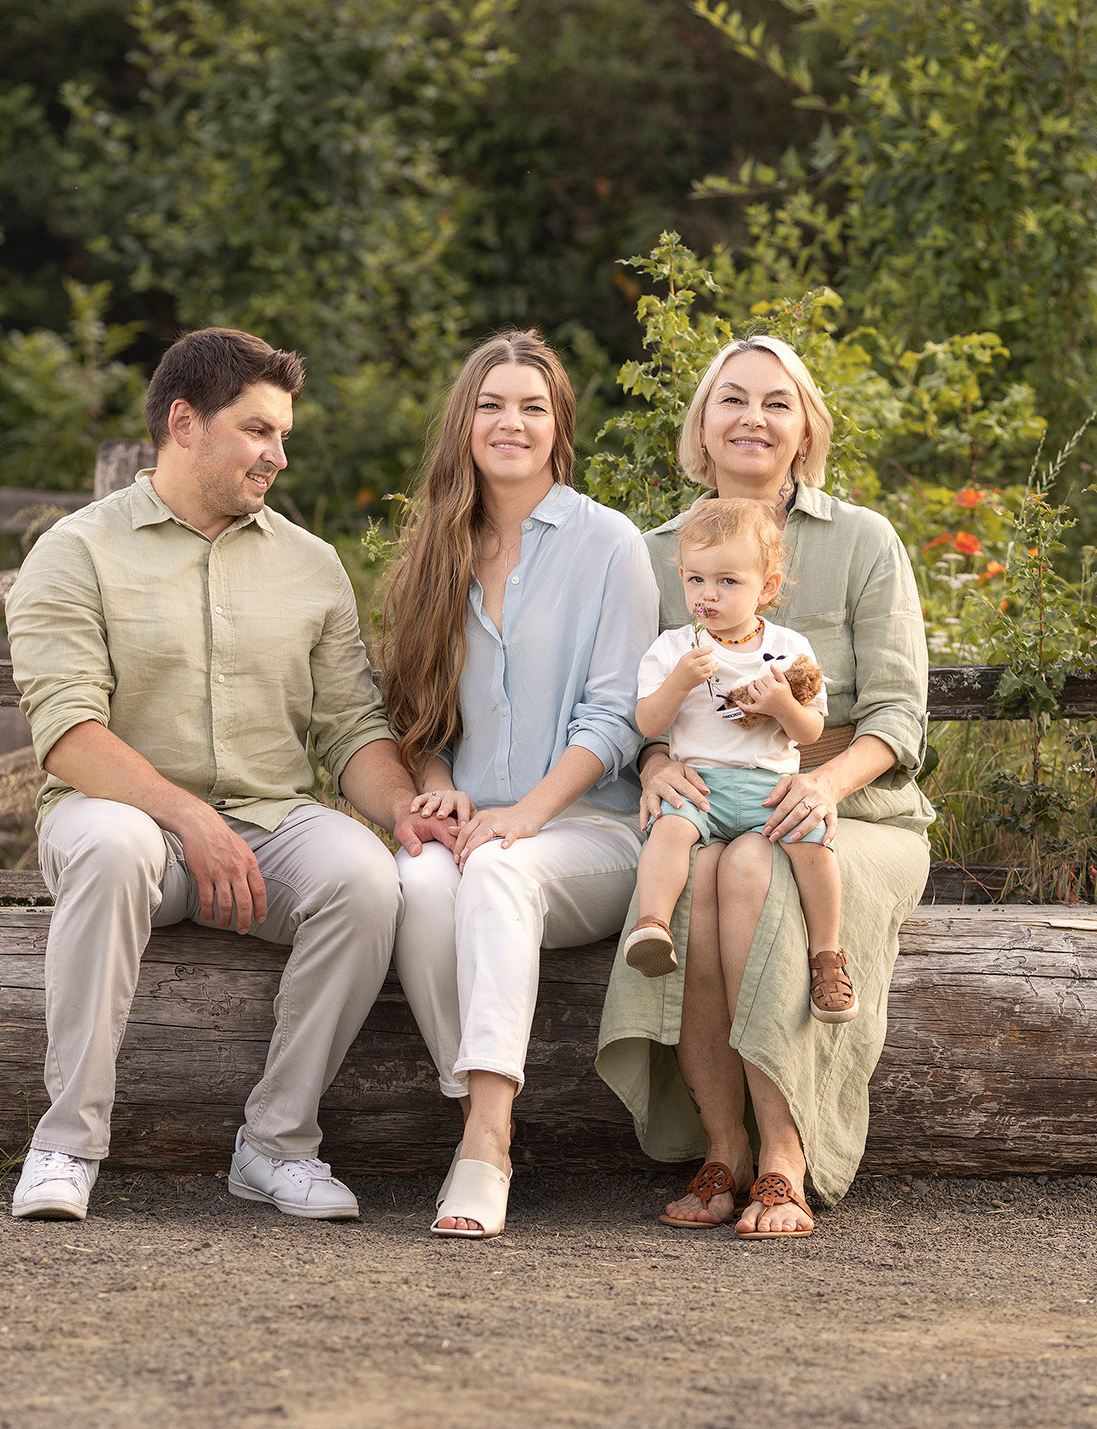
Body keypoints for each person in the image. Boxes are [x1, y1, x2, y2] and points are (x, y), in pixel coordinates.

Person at [4, 327, 450, 1223]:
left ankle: (276, 1144)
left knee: (367, 878)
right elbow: (68, 734)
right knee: (111, 846)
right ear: (184, 423)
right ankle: (66, 1143)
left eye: (282, 434)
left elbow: (352, 730)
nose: (277, 455)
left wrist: (406, 812)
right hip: (119, 815)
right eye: (256, 431)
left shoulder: (310, 564)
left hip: (272, 822)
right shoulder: (75, 551)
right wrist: (189, 819)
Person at [595, 334, 934, 1240]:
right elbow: (626, 699)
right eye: (732, 399)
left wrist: (825, 785)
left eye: (776, 402)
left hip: (851, 806)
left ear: (805, 428)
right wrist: (656, 762)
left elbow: (900, 717)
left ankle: (781, 1150)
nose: (753, 417)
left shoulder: (863, 540)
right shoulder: (660, 550)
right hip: (710, 798)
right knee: (708, 872)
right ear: (701, 428)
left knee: (750, 869)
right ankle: (721, 1144)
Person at [381, 330, 658, 1239]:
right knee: (418, 881)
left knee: (496, 870)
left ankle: (487, 1141)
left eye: (532, 406)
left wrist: (522, 816)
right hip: (478, 824)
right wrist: (437, 786)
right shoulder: (435, 549)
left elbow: (618, 718)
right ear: (465, 423)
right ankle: (476, 1112)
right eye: (492, 404)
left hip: (590, 831)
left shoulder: (608, 544)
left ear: (559, 426)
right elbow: (421, 714)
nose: (512, 422)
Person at [622, 498, 855, 1028]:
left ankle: (827, 955)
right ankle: (652, 926)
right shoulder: (673, 649)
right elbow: (648, 723)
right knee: (669, 832)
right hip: (697, 786)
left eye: (728, 581)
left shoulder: (788, 649)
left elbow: (811, 730)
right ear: (681, 577)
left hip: (768, 789)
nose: (709, 595)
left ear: (766, 588)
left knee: (815, 846)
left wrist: (781, 706)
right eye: (697, 580)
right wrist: (680, 681)